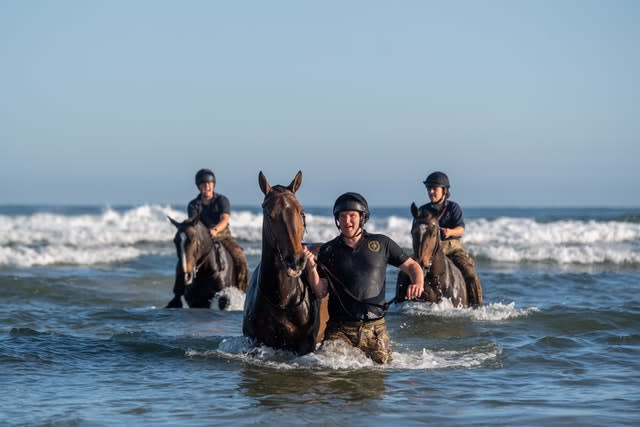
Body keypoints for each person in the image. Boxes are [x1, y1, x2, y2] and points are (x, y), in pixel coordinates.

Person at [303, 192, 424, 364]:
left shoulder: (382, 244)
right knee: (328, 371)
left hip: (375, 329)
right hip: (339, 330)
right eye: (342, 216)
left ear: (363, 218)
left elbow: (412, 266)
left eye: (352, 216)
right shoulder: (329, 251)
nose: (347, 221)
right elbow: (320, 291)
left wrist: (417, 282)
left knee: (381, 375)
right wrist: (312, 267)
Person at [166, 168, 249, 308]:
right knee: (184, 260)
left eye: (209, 183)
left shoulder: (222, 200)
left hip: (222, 234)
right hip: (202, 239)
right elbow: (194, 223)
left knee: (240, 258)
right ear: (199, 187)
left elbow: (225, 219)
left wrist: (215, 230)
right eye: (203, 184)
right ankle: (178, 295)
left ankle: (244, 294)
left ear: (213, 185)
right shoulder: (193, 204)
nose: (207, 186)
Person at [418, 171, 483, 306]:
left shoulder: (453, 207)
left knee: (470, 273)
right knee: (404, 273)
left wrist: (450, 231)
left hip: (451, 248)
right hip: (428, 250)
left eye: (434, 189)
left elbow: (461, 229)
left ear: (444, 190)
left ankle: (477, 305)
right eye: (428, 189)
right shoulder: (423, 210)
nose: (430, 192)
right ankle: (399, 304)